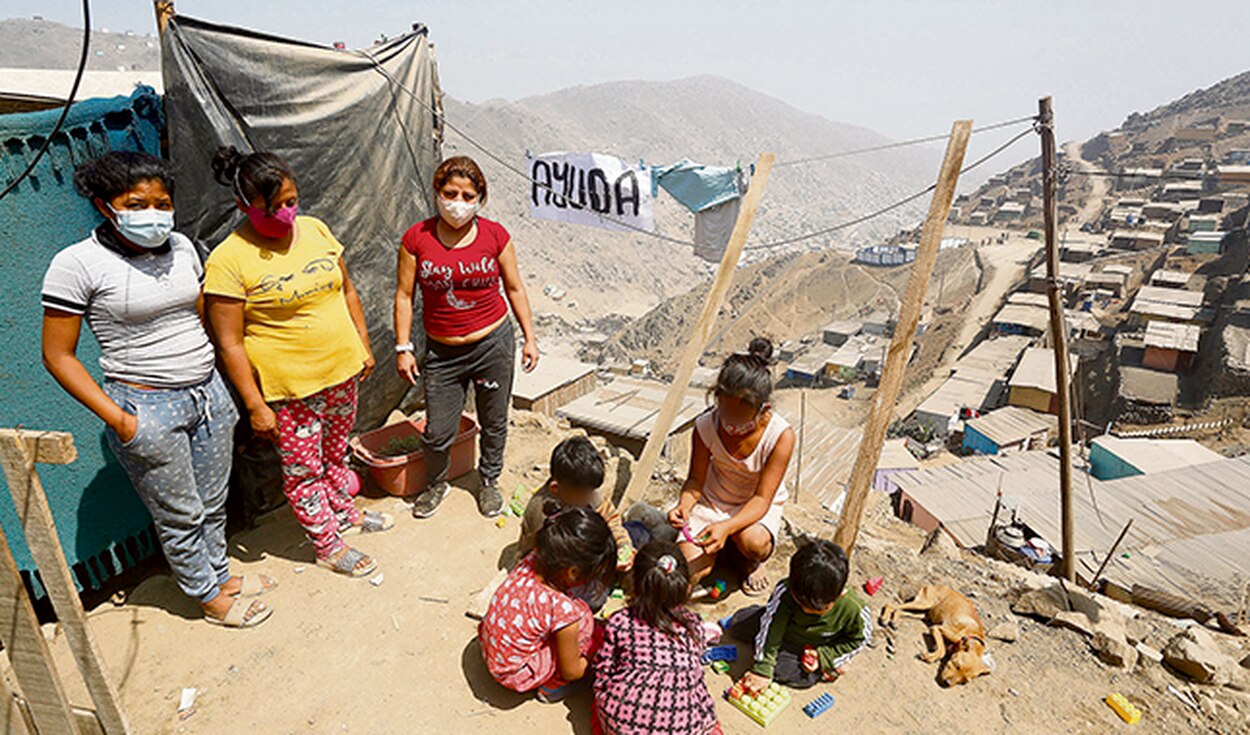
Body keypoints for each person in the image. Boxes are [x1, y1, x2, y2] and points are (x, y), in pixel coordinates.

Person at [41, 151, 272, 628]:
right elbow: (58, 355)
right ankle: (208, 596)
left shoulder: (184, 247)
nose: (153, 214)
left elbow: (202, 315)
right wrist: (121, 419)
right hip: (147, 406)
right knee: (180, 513)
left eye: (161, 202)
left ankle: (222, 575)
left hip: (208, 394)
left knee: (212, 501)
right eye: (137, 203)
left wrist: (224, 386)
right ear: (106, 206)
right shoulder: (76, 264)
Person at [203, 146, 390, 579]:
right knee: (304, 469)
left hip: (342, 371)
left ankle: (343, 514)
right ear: (242, 205)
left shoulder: (316, 230)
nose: (286, 213)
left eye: (291, 201)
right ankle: (326, 544)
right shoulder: (229, 260)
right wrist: (255, 405)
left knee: (335, 454)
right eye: (272, 208)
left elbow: (346, 289)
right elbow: (229, 343)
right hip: (292, 389)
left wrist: (362, 343)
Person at [394, 156, 539, 520]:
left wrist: (530, 337)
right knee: (437, 430)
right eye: (450, 192)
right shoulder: (416, 238)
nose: (458, 202)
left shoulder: (495, 236)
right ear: (437, 193)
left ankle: (489, 481)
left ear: (480, 198)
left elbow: (515, 288)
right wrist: (403, 348)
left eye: (468, 194)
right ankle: (436, 483)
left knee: (494, 420)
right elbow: (404, 295)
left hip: (492, 344)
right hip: (442, 352)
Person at [668, 338, 794, 595]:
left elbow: (761, 499)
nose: (730, 422)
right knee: (687, 573)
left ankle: (748, 559)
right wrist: (684, 506)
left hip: (753, 508)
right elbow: (695, 481)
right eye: (724, 411)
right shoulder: (705, 426)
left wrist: (727, 527)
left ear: (763, 410)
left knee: (754, 543)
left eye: (739, 416)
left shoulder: (780, 436)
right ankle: (723, 548)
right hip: (713, 502)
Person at [478, 506, 616, 703]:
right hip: (514, 674)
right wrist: (595, 658)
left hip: (492, 650)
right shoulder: (562, 610)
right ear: (573, 573)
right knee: (584, 620)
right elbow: (573, 671)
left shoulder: (533, 558)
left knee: (576, 617)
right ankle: (551, 687)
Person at [593, 541, 721, 735]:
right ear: (687, 589)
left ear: (634, 585)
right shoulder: (693, 625)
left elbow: (604, 672)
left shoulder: (620, 621)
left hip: (621, 725)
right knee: (709, 719)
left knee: (600, 706)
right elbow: (694, 674)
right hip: (681, 729)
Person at [722, 539, 871, 693]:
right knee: (738, 625)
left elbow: (858, 641)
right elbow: (772, 629)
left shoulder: (855, 611)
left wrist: (824, 657)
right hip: (784, 628)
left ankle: (824, 671)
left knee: (792, 673)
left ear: (839, 595)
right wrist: (763, 668)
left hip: (812, 646)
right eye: (800, 604)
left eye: (818, 610)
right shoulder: (785, 592)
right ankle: (766, 613)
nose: (807, 612)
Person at [518, 437, 633, 568]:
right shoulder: (541, 516)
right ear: (556, 489)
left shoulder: (585, 489)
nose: (589, 498)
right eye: (584, 494)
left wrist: (622, 545)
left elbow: (611, 520)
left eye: (591, 491)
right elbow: (550, 562)